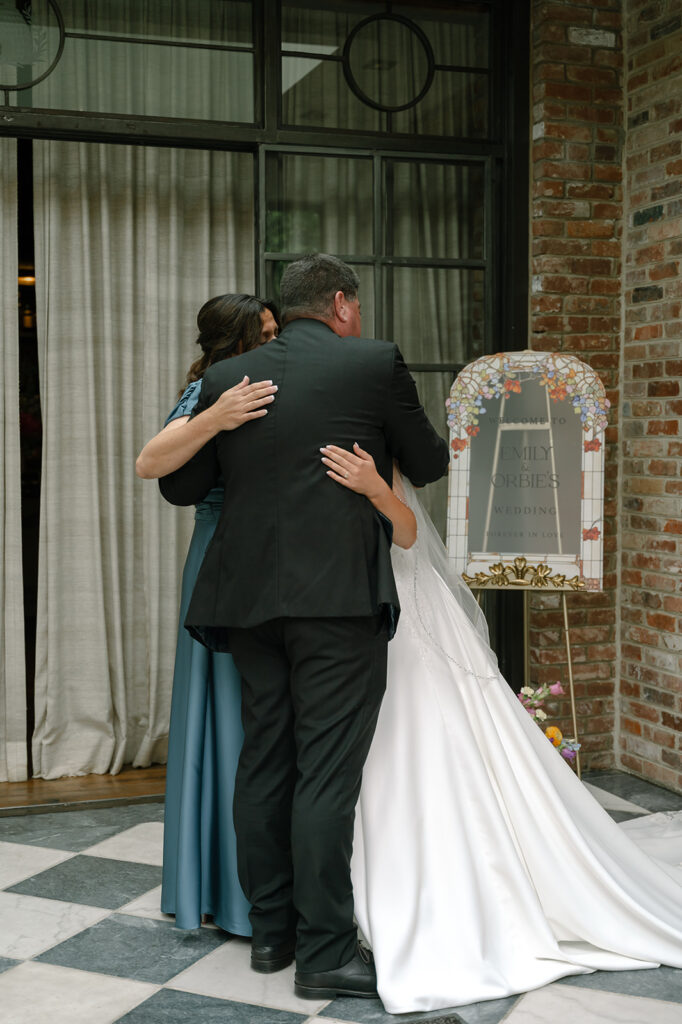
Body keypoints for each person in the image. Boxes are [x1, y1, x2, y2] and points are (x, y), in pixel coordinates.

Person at [159, 254, 450, 999]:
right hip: (337, 602)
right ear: (343, 304)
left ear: (284, 312)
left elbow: (184, 485)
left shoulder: (228, 379)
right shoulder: (374, 363)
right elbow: (428, 460)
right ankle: (324, 955)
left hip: (246, 601)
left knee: (265, 760)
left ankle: (271, 936)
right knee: (324, 773)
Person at [318, 443, 682, 1014]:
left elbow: (407, 532)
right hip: (339, 610)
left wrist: (374, 485)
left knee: (426, 735)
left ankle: (447, 875)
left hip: (401, 609)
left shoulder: (373, 435)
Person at [136, 292, 279, 934]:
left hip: (280, 556)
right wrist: (216, 416)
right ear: (230, 345)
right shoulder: (208, 394)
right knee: (226, 716)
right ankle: (224, 889)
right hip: (218, 553)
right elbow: (150, 463)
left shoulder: (286, 383)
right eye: (265, 333)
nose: (275, 342)